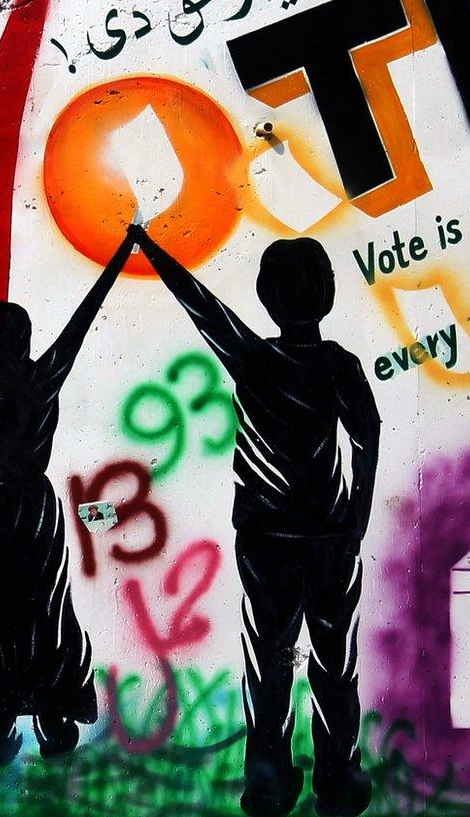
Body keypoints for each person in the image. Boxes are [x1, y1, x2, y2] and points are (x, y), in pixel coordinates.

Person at [132, 224, 380, 817]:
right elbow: (367, 435)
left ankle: (268, 782)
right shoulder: (339, 365)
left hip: (265, 540)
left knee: (269, 664)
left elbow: (202, 306)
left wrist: (149, 245)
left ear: (268, 298)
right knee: (333, 664)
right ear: (327, 295)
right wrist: (358, 518)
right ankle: (338, 781)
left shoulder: (253, 358)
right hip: (328, 537)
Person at [0, 223, 139, 767]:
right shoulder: (37, 382)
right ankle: (52, 710)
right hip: (31, 511)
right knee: (42, 608)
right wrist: (119, 256)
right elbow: (81, 323)